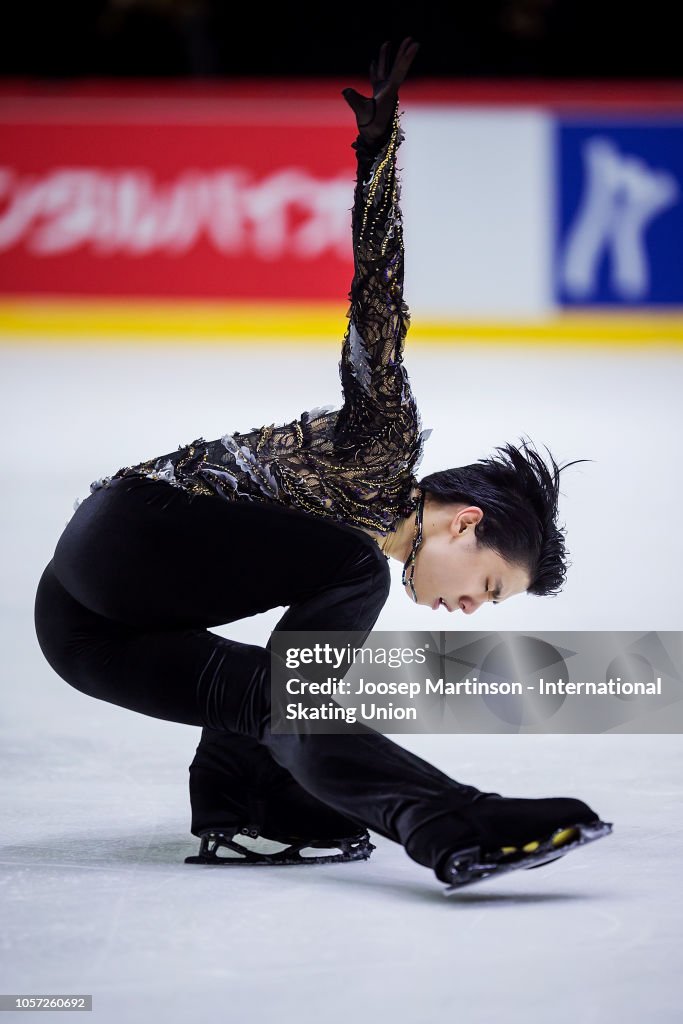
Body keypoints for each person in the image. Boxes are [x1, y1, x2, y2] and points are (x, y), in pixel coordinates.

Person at [33, 38, 611, 892]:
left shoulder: (337, 568)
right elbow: (377, 299)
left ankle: (276, 816)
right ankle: (406, 809)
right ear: (464, 520)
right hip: (128, 533)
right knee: (350, 576)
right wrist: (377, 156)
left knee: (279, 695)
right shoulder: (382, 442)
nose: (463, 608)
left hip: (81, 632)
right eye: (485, 586)